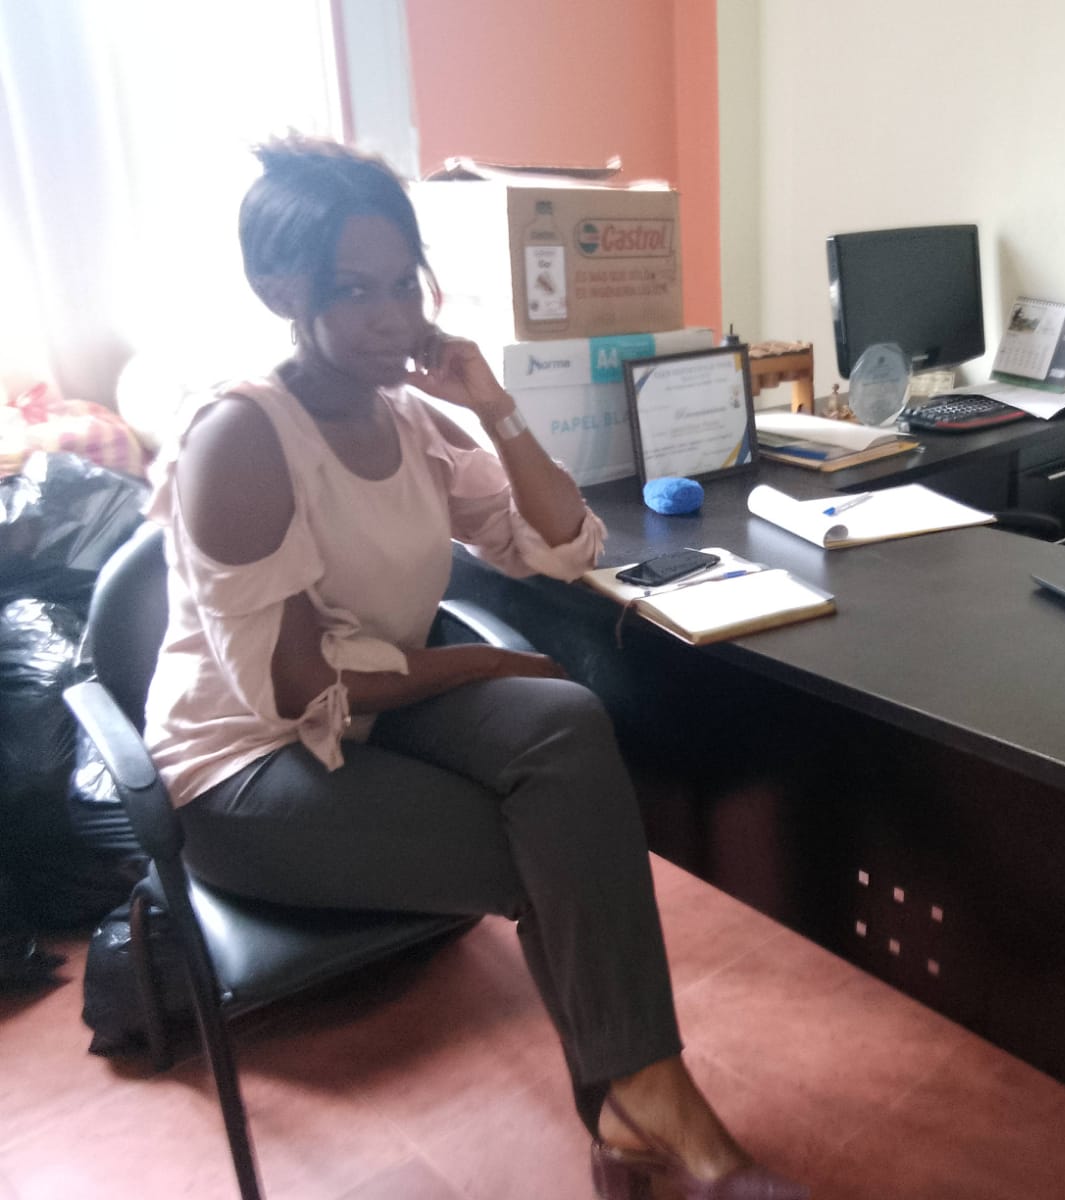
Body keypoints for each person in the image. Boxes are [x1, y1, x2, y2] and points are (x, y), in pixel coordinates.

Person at [141, 135, 807, 1200]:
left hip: (370, 705)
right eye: (353, 290)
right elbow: (299, 691)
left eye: (403, 285)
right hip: (246, 766)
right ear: (279, 289)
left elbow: (562, 542)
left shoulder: (404, 417)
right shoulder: (244, 438)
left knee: (564, 722)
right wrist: (480, 664)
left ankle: (637, 1110)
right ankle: (655, 1110)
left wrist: (492, 406)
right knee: (558, 841)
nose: (390, 319)